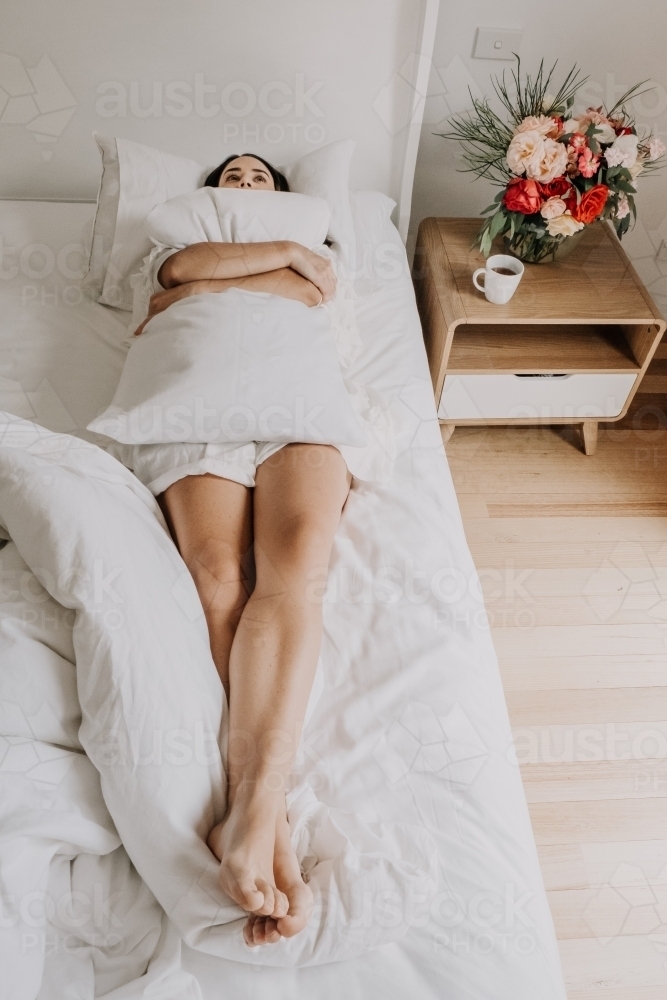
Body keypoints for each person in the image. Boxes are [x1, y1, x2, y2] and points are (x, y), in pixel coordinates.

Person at [124, 155, 347, 947]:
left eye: (261, 177)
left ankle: (255, 807)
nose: (246, 184)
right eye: (235, 174)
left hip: (296, 386)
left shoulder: (311, 240)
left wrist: (223, 282)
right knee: (217, 575)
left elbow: (308, 289)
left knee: (298, 559)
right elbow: (178, 273)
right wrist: (274, 263)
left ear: (286, 199)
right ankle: (264, 819)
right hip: (194, 385)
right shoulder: (186, 230)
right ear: (213, 190)